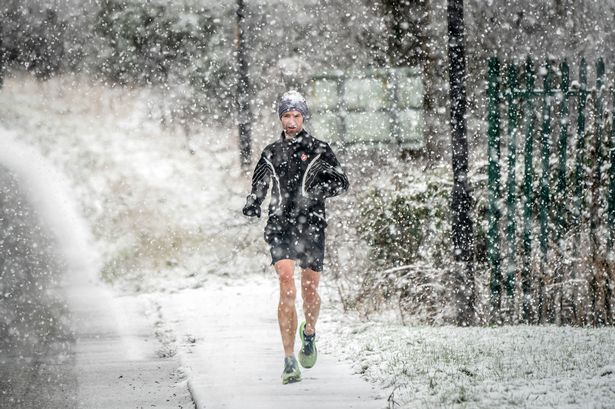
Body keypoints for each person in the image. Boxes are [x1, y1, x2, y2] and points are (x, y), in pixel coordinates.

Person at [242, 90, 349, 384]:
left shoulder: (319, 149)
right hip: (280, 225)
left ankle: (309, 332)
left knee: (309, 289)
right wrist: (253, 202)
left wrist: (318, 189)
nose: (291, 121)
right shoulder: (270, 152)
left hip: (312, 225)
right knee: (286, 283)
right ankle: (289, 359)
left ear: (303, 117)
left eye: (296, 115)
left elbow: (342, 182)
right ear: (280, 118)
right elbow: (259, 184)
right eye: (286, 116)